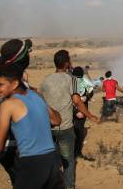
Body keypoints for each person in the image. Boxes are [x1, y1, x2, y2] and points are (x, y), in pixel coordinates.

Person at [0, 65, 64, 189]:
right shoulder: (35, 95)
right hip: (52, 162)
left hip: (31, 163)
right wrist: (42, 103)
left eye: (0, 84)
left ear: (14, 83)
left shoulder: (8, 105)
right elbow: (57, 120)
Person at [40, 50, 99, 189]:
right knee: (68, 161)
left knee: (53, 160)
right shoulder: (71, 79)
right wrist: (90, 115)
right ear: (67, 63)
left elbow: (41, 101)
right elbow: (77, 101)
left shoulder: (46, 80)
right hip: (65, 128)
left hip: (49, 127)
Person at [70, 66, 92, 159]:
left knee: (75, 130)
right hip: (80, 109)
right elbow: (91, 92)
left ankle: (75, 152)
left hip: (73, 109)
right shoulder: (84, 81)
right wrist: (86, 98)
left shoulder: (70, 82)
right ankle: (76, 152)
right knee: (78, 131)